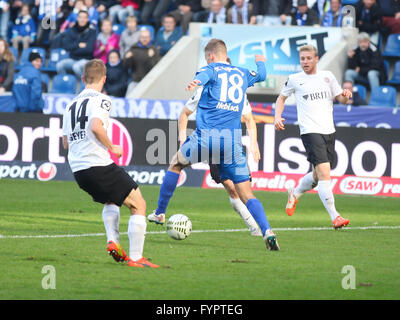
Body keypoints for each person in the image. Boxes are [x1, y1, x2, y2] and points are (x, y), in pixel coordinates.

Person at [147, 38, 280, 251]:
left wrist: (196, 82)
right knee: (246, 194)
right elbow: (262, 75)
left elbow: (204, 76)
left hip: (207, 137)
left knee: (175, 164)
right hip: (233, 144)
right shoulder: (242, 72)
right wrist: (261, 61)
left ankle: (160, 212)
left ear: (210, 56)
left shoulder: (211, 69)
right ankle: (267, 231)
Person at [62, 59, 158, 268]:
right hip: (97, 164)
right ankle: (136, 257)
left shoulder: (70, 105)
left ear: (82, 78)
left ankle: (113, 241)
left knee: (111, 200)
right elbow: (96, 126)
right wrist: (113, 147)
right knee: (138, 204)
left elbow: (65, 142)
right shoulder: (103, 100)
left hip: (78, 170)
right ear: (104, 79)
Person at [274, 44, 352, 230]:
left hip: (328, 130)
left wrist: (346, 95)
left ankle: (296, 191)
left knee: (318, 176)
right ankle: (335, 216)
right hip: (309, 131)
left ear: (316, 59)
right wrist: (277, 116)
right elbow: (281, 98)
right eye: (302, 59)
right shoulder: (294, 79)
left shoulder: (328, 77)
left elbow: (340, 98)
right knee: (325, 172)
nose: (305, 62)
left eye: (309, 58)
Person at [178, 85, 262, 236]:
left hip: (233, 146)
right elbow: (184, 113)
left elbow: (249, 119)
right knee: (231, 188)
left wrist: (253, 144)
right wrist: (182, 141)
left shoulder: (237, 93)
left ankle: (260, 225)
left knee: (244, 190)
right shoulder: (206, 90)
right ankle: (254, 227)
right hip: (213, 147)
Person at [56, 9, 96, 78]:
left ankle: (83, 84)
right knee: (59, 65)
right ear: (77, 18)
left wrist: (73, 48)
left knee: (76, 67)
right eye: (80, 17)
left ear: (88, 19)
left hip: (86, 60)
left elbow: (89, 49)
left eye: (84, 17)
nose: (82, 19)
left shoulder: (92, 31)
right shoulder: (72, 30)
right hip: (73, 59)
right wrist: (78, 45)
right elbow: (66, 46)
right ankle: (67, 82)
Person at [123, 28, 161, 93]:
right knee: (128, 98)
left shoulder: (154, 50)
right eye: (143, 37)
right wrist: (127, 58)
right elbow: (127, 66)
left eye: (146, 37)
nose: (145, 39)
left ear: (150, 38)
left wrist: (151, 57)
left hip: (149, 82)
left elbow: (156, 68)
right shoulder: (134, 48)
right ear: (139, 38)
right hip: (136, 81)